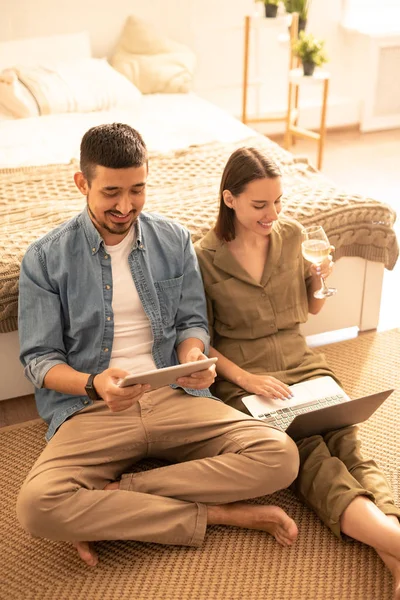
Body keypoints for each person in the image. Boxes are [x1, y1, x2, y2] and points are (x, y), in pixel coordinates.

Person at [16, 124, 300, 568]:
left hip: (174, 397)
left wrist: (191, 357)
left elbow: (191, 322)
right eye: (111, 192)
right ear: (82, 182)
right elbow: (39, 360)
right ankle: (219, 514)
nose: (125, 206)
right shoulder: (45, 257)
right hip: (93, 409)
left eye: (137, 189)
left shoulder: (174, 239)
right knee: (37, 505)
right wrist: (94, 384)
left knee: (280, 455)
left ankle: (119, 500)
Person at [194, 147, 400, 597]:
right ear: (229, 198)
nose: (273, 214)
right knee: (311, 456)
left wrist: (320, 279)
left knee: (348, 439)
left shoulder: (293, 235)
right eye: (260, 204)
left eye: (279, 202)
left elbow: (311, 308)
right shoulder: (204, 257)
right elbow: (200, 340)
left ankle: (395, 555)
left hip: (301, 360)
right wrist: (245, 381)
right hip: (248, 377)